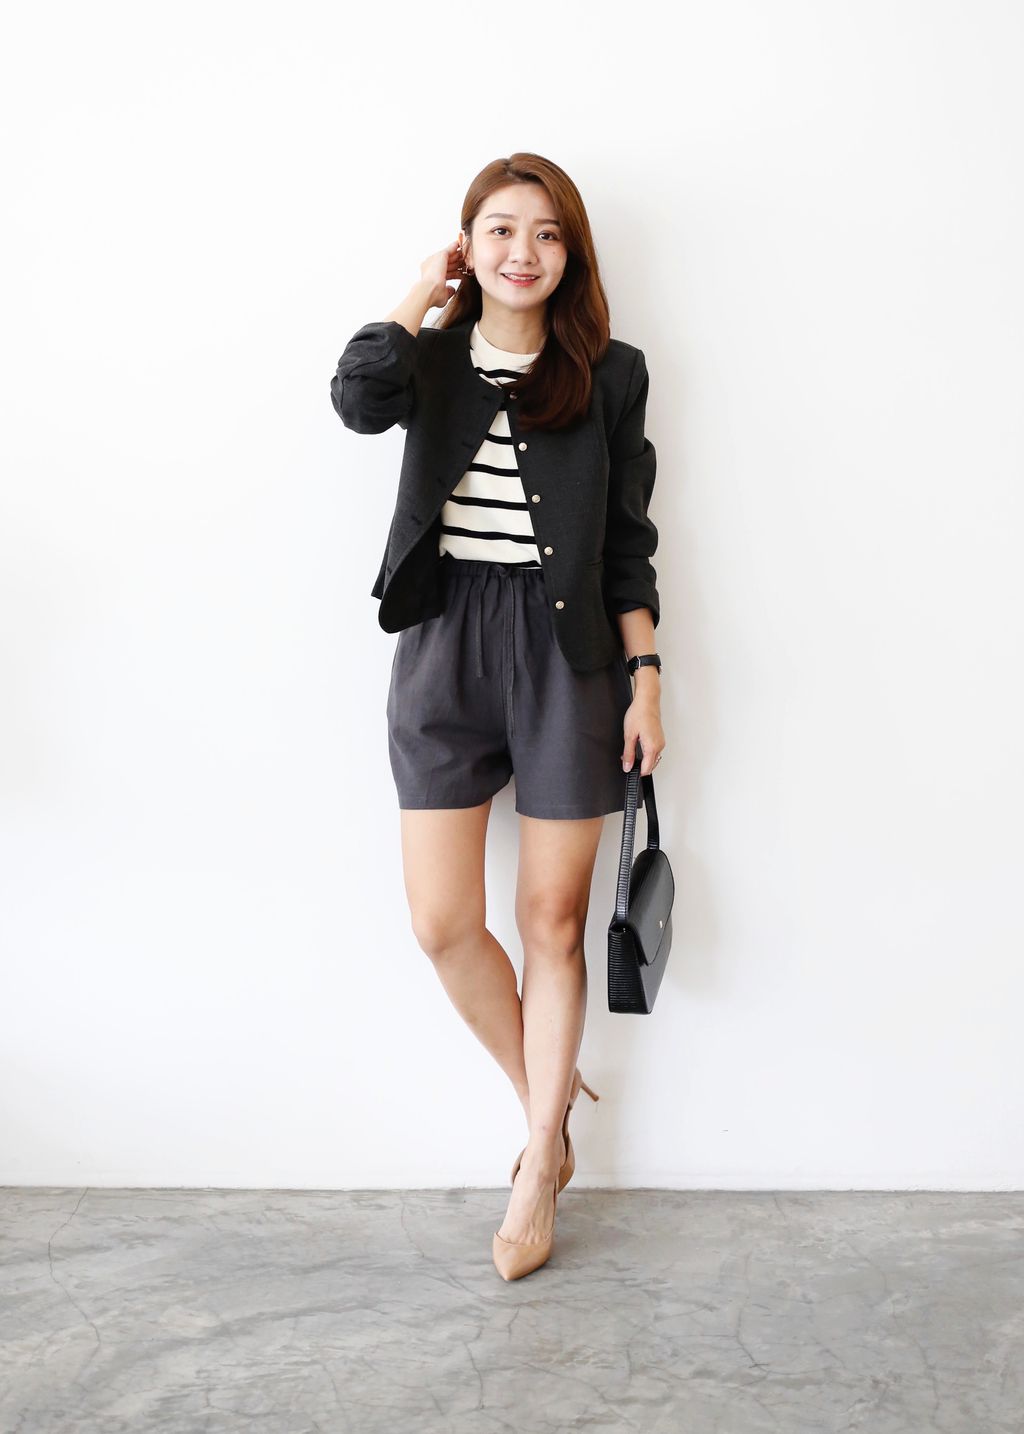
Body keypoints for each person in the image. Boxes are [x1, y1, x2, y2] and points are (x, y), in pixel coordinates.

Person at [330, 153, 666, 1280]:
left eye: (547, 233)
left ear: (572, 255)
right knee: (441, 922)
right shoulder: (423, 362)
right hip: (442, 649)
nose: (524, 251)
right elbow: (355, 401)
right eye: (501, 230)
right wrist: (415, 297)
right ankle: (549, 1118)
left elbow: (626, 543)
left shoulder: (609, 374)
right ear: (467, 247)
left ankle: (532, 1175)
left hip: (570, 659)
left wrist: (648, 677)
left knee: (551, 922)